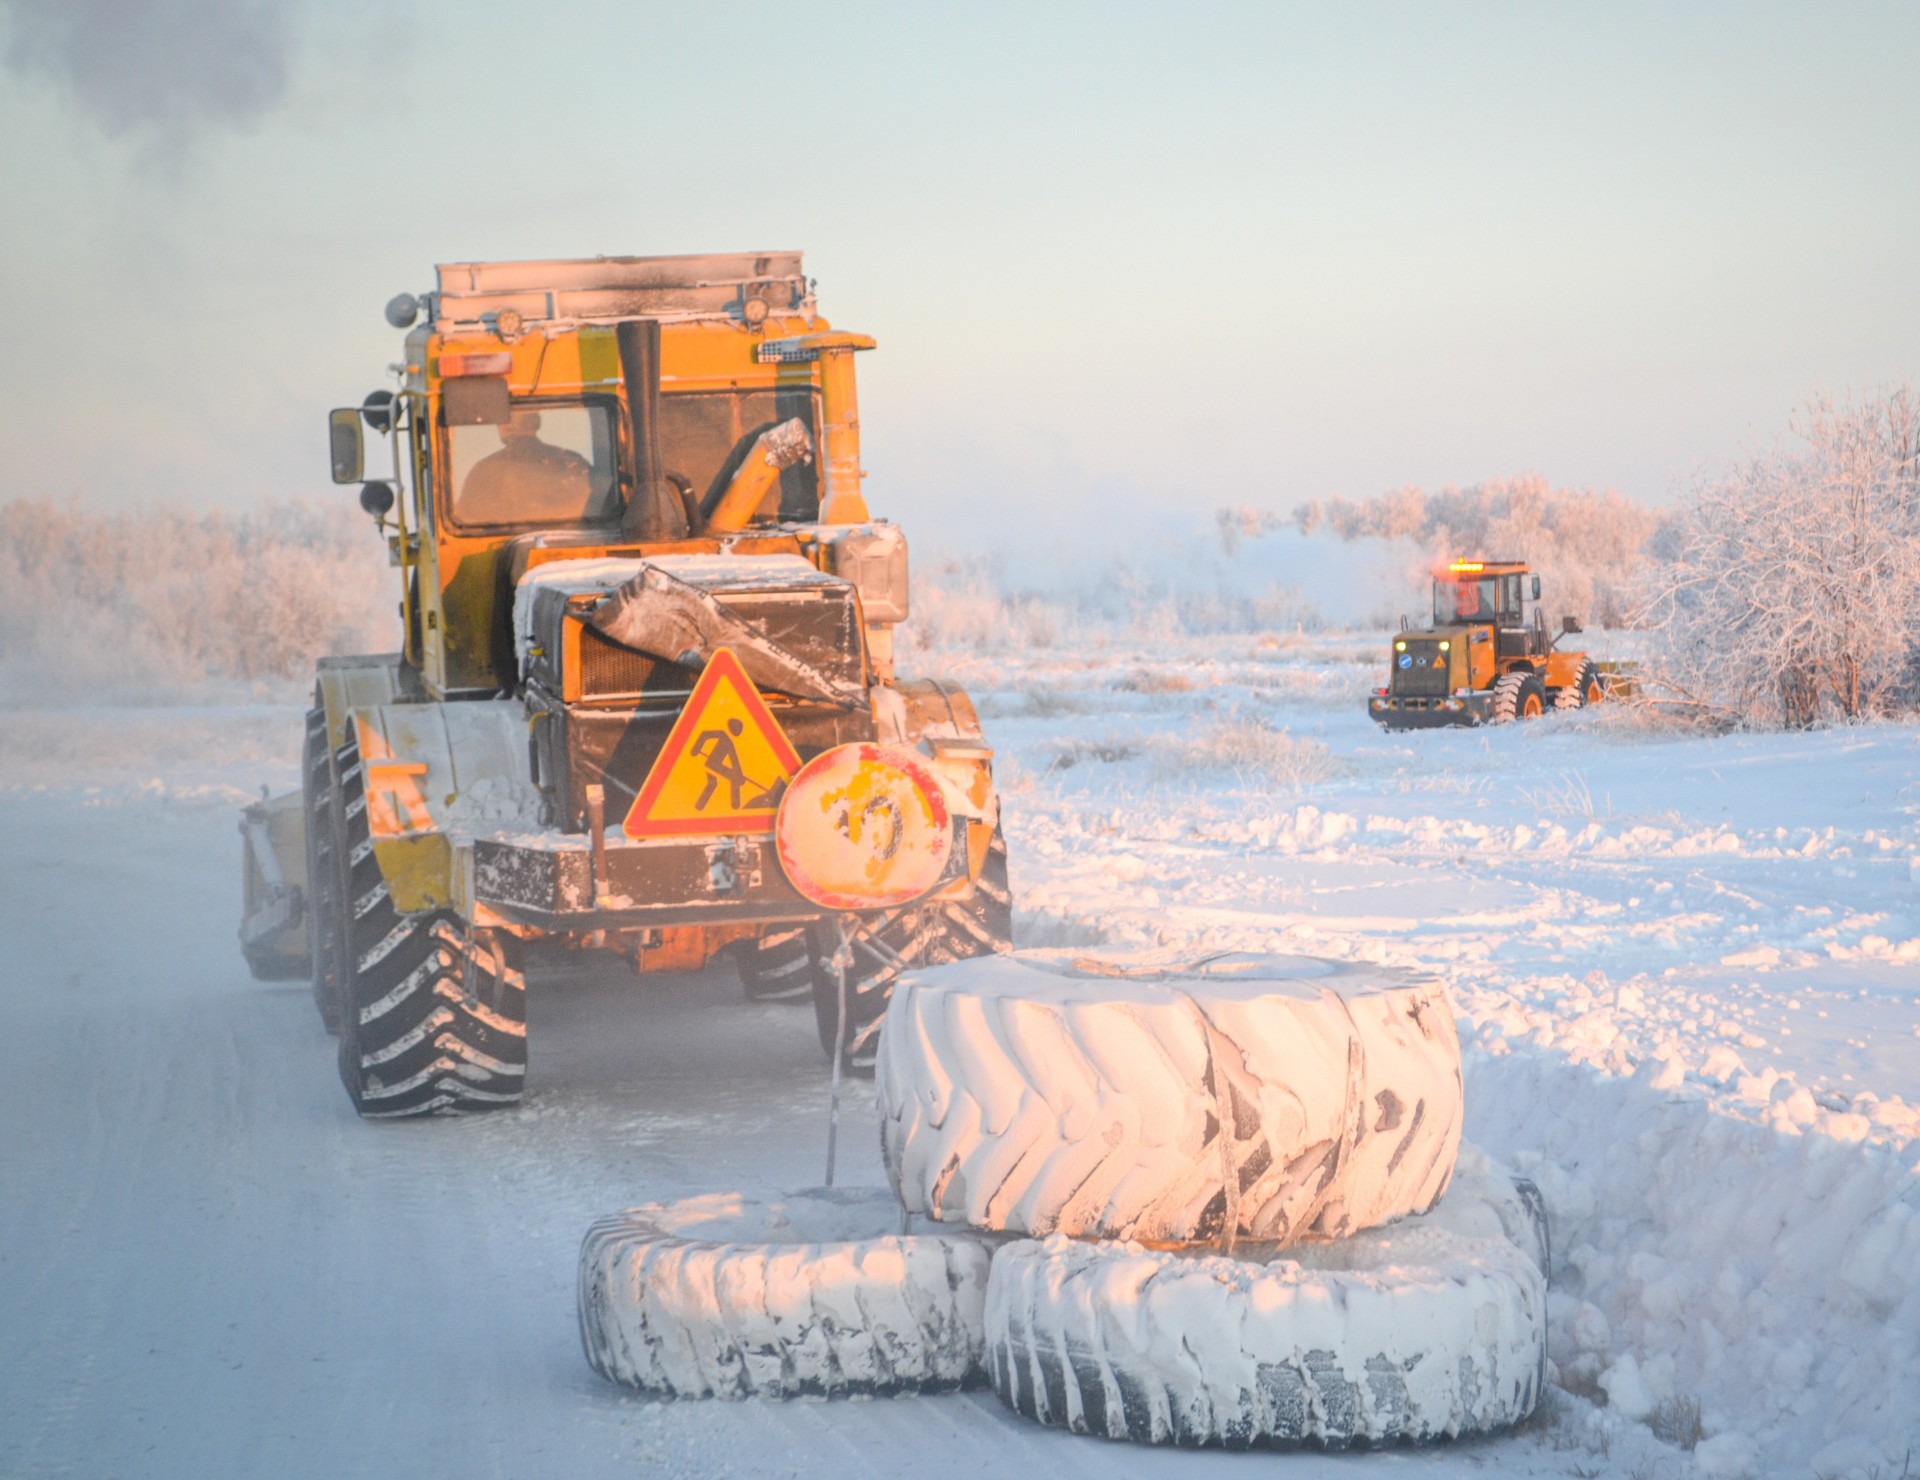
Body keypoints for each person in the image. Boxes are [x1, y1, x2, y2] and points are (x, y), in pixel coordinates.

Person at [458, 407, 592, 524]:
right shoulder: (572, 463)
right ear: (535, 423)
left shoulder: (485, 470)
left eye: (502, 420)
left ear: (506, 426)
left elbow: (466, 518)